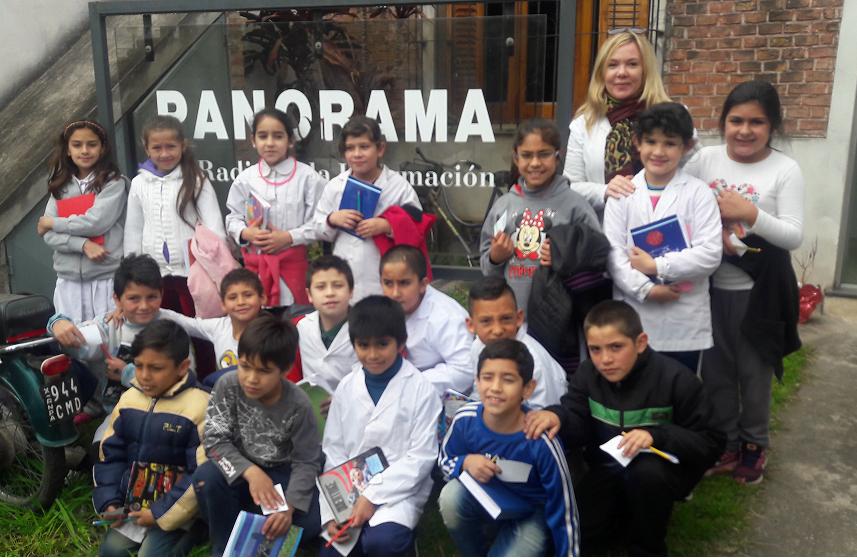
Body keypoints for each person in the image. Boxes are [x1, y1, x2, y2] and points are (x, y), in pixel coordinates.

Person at [524, 300, 723, 556]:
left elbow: (712, 442)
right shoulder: (587, 374)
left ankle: (647, 546)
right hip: (606, 466)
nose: (605, 359)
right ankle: (619, 517)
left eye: (616, 347)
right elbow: (577, 419)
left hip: (660, 472)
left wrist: (656, 436)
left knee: (646, 476)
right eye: (595, 349)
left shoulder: (677, 379)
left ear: (640, 342)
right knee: (581, 537)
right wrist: (557, 416)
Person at [684, 80, 804, 484]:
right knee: (715, 372)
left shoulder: (785, 169)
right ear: (723, 122)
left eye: (757, 122)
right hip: (708, 288)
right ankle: (728, 443)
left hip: (759, 295)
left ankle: (755, 445)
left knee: (754, 375)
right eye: (736, 120)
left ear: (773, 126)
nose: (745, 130)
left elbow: (793, 235)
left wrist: (750, 214)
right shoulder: (704, 161)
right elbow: (680, 203)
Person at [603, 102, 722, 373]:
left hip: (684, 322)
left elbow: (710, 253)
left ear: (686, 147)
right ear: (637, 143)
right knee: (634, 397)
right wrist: (646, 289)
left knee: (679, 398)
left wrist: (657, 267)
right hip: (633, 315)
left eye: (670, 143)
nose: (658, 151)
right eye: (651, 141)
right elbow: (613, 254)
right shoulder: (623, 193)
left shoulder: (698, 194)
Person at [320, 296, 441, 556]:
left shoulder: (421, 389)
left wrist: (372, 496)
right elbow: (334, 449)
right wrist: (335, 509)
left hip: (399, 491)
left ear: (401, 342)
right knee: (333, 550)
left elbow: (421, 457)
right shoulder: (346, 388)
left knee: (382, 543)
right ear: (353, 345)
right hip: (350, 488)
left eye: (382, 344)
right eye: (363, 345)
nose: (372, 355)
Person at [192, 314, 322, 556]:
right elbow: (214, 440)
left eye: (263, 371)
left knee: (311, 522)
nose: (251, 379)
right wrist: (251, 473)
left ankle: (258, 518)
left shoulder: (299, 404)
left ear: (285, 370)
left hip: (281, 474)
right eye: (245, 366)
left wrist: (289, 507)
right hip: (239, 469)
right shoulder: (227, 385)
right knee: (206, 477)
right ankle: (224, 547)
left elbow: (307, 460)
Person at [438, 339, 578, 556]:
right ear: (477, 381)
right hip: (486, 497)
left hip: (530, 512)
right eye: (487, 378)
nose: (495, 388)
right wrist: (465, 462)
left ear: (528, 388)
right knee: (450, 498)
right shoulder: (465, 420)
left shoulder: (541, 441)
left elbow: (565, 508)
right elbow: (444, 461)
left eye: (508, 379)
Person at [93, 320, 209, 557]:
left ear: (182, 367)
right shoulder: (128, 401)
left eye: (156, 368)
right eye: (138, 366)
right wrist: (110, 502)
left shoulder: (200, 407)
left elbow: (200, 474)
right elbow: (110, 456)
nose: (144, 376)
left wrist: (159, 514)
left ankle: (198, 530)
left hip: (180, 511)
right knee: (110, 552)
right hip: (133, 509)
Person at [480, 118, 600, 318]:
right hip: (512, 319)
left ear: (557, 156)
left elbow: (597, 260)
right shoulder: (504, 206)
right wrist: (495, 258)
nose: (535, 163)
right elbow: (487, 268)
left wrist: (566, 259)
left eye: (543, 154)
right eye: (527, 155)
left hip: (560, 322)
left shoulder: (575, 207)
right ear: (516, 158)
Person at [48, 254, 182, 422]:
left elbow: (180, 383)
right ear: (117, 300)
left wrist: (127, 373)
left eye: (151, 297)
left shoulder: (173, 328)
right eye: (134, 298)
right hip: (120, 416)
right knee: (101, 446)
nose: (144, 306)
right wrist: (57, 323)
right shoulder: (109, 325)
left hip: (168, 414)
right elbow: (77, 342)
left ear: (161, 294)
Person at [124, 114, 226, 319]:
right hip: (154, 278)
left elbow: (215, 230)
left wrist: (215, 271)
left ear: (183, 145)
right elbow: (133, 230)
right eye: (157, 148)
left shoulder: (196, 179)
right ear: (147, 149)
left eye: (171, 146)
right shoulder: (139, 183)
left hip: (193, 275)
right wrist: (131, 273)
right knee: (162, 335)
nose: (164, 154)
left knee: (200, 334)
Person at [311, 115, 422, 302]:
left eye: (364, 147)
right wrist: (332, 220)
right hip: (344, 277)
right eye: (350, 148)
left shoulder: (398, 186)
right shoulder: (335, 186)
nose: (357, 154)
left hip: (383, 280)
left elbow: (418, 225)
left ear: (380, 148)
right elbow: (317, 228)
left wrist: (387, 226)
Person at [562, 31, 673, 214]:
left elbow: (693, 178)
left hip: (662, 228)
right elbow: (570, 187)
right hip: (603, 233)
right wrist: (604, 190)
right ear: (602, 73)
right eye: (612, 65)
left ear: (646, 70)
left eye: (632, 64)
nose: (621, 73)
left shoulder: (672, 116)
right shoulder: (584, 123)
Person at [225, 108, 327, 306]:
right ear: (253, 140)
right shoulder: (245, 179)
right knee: (260, 326)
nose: (270, 143)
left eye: (278, 136)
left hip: (294, 267)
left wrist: (289, 237)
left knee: (294, 324)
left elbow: (321, 223)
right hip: (256, 270)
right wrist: (247, 233)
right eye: (263, 136)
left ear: (290, 141)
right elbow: (232, 218)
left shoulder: (308, 178)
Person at [37, 119, 127, 323]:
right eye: (77, 145)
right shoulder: (59, 186)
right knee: (73, 344)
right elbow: (48, 236)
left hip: (105, 278)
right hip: (68, 281)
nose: (84, 150)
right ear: (68, 149)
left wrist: (53, 222)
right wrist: (83, 244)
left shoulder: (113, 183)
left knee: (108, 343)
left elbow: (96, 223)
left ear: (103, 148)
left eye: (92, 144)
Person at [380, 245, 473, 396]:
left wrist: (406, 386)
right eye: (388, 283)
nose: (395, 293)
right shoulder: (379, 308)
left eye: (404, 283)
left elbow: (464, 370)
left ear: (423, 284)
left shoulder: (446, 316)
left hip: (438, 402)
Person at [466, 276, 567, 408]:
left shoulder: (535, 362)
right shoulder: (477, 346)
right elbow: (478, 392)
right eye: (486, 321)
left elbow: (543, 415)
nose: (497, 330)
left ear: (519, 318)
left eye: (506, 319)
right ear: (471, 325)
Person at [157, 267, 267, 387]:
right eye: (233, 297)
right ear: (223, 305)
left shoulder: (272, 333)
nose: (241, 302)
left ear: (262, 298)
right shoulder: (219, 327)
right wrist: (152, 309)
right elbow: (185, 323)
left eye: (248, 295)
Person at [296, 255, 358, 394]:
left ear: (351, 291)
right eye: (320, 287)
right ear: (309, 294)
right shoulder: (303, 327)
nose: (330, 293)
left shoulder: (365, 328)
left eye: (338, 285)